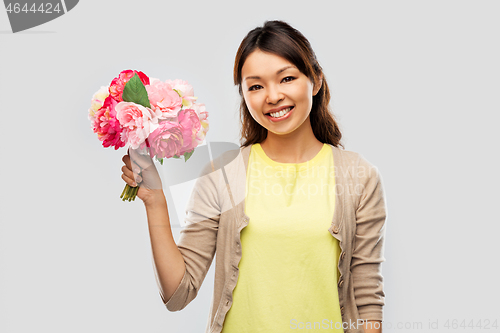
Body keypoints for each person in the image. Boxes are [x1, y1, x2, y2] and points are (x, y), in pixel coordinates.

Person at [121, 20, 387, 333]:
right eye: (256, 86)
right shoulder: (223, 174)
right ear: (244, 95)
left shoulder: (359, 176)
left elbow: (367, 300)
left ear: (315, 81)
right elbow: (178, 293)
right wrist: (155, 201)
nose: (272, 96)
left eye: (286, 78)